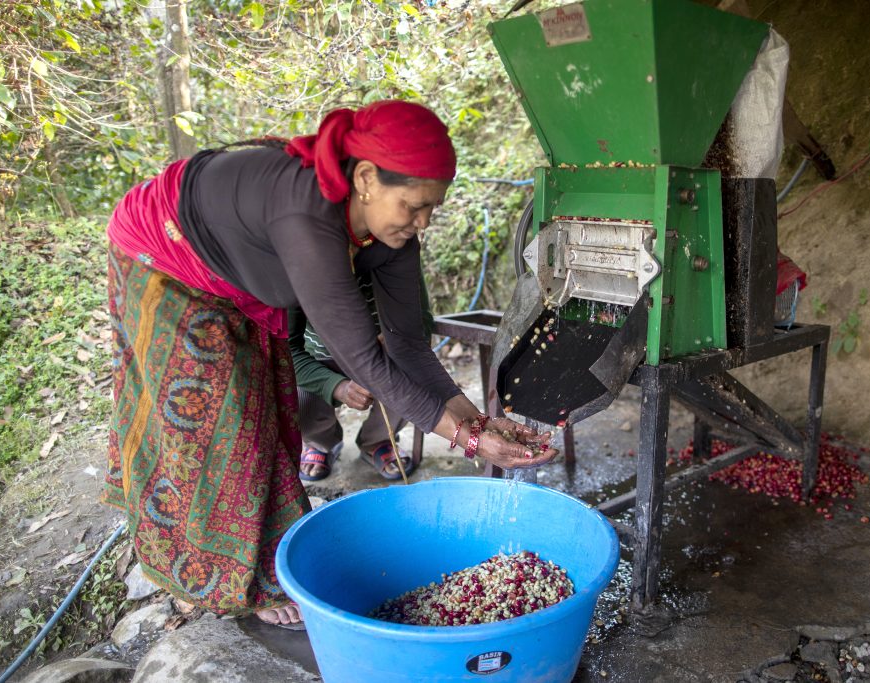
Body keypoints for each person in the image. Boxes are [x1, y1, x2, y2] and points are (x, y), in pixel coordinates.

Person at [102, 100, 557, 628]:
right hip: (167, 258)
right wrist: (471, 442)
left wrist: (473, 419)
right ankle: (219, 580)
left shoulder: (391, 232)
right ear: (366, 178)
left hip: (242, 284)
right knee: (217, 427)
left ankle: (271, 561)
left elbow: (408, 345)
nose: (424, 222)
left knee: (266, 419)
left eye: (434, 207)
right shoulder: (306, 214)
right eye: (414, 205)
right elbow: (363, 359)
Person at [290, 267, 434, 481]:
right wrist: (337, 386)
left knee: (409, 376)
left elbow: (422, 319)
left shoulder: (394, 253)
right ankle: (320, 441)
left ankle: (378, 440)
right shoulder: (296, 266)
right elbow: (289, 351)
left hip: (382, 354)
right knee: (298, 398)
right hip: (318, 358)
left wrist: (398, 339)